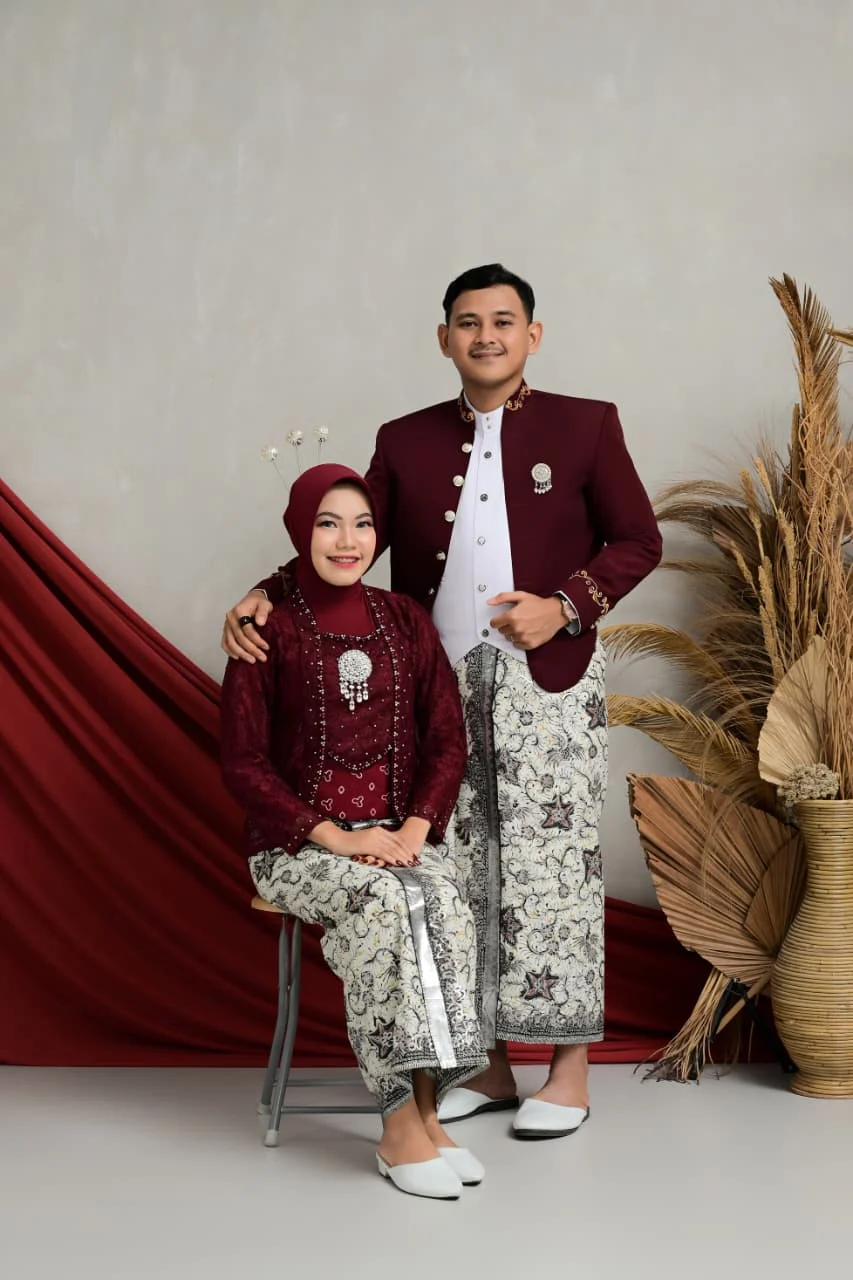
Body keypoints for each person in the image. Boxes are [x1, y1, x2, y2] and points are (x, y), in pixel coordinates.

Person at [222, 265, 662, 1140]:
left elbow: (637, 539)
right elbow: (346, 538)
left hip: (549, 681)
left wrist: (564, 606)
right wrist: (264, 594)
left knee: (551, 869)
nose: (485, 335)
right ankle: (485, 1066)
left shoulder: (586, 424)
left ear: (532, 334)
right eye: (467, 322)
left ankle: (567, 1071)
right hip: (433, 686)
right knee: (455, 870)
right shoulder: (406, 439)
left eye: (502, 320)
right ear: (443, 338)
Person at [220, 463, 489, 1199]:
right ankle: (397, 1123)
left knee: (444, 899)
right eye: (328, 523)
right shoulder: (265, 630)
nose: (348, 540)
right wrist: (336, 837)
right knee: (383, 908)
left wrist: (415, 828)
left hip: (398, 835)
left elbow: (447, 736)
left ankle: (430, 1113)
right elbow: (242, 765)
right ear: (299, 532)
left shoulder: (404, 620)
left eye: (363, 524)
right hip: (298, 848)